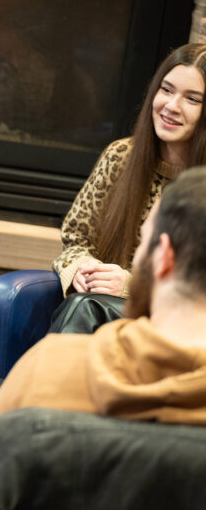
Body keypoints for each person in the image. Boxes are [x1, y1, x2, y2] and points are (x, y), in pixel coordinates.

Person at [0, 165, 206, 435]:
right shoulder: (123, 159)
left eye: (143, 242)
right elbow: (77, 239)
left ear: (163, 257)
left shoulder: (47, 366)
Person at [49, 43, 205, 332]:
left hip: (181, 329)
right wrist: (82, 271)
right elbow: (76, 239)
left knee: (84, 308)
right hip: (103, 309)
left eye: (192, 99)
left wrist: (131, 285)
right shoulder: (120, 157)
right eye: (166, 90)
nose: (171, 106)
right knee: (84, 304)